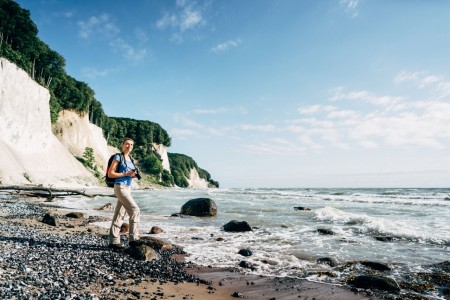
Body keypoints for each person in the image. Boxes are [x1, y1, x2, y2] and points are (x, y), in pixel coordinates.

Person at [108, 138, 141, 249]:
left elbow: (129, 175)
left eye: (131, 144)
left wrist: (133, 175)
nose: (129, 146)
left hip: (128, 188)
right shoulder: (118, 157)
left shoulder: (131, 159)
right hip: (120, 187)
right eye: (127, 144)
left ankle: (113, 241)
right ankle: (133, 239)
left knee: (120, 214)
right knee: (135, 210)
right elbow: (111, 174)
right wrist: (126, 173)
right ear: (122, 145)